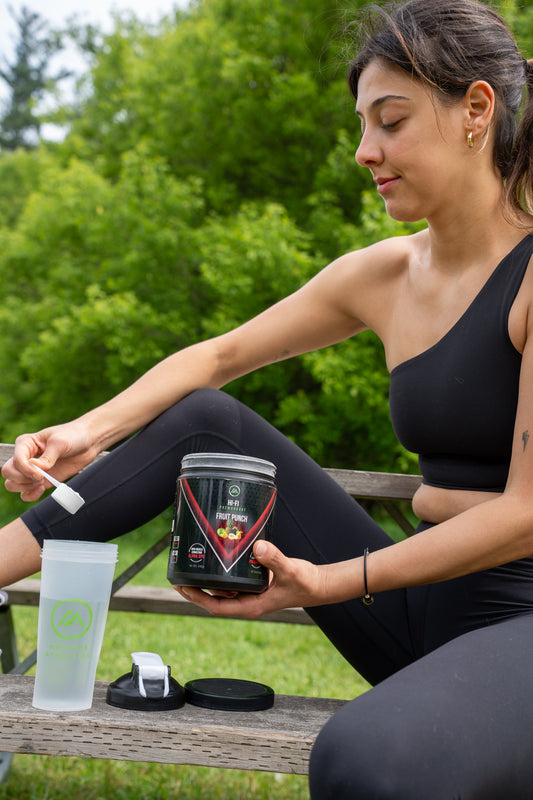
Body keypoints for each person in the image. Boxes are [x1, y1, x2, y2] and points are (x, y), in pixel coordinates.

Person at [2, 0, 533, 795]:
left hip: (518, 621)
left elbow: (525, 510)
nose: (363, 151)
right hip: (419, 611)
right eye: (360, 124)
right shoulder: (383, 275)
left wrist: (333, 579)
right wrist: (85, 431)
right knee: (205, 422)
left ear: (476, 110)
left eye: (389, 122)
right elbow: (219, 357)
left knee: (364, 760)